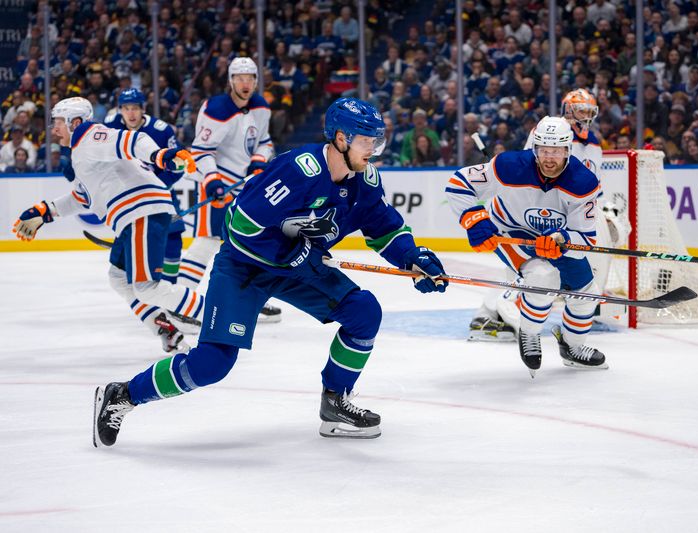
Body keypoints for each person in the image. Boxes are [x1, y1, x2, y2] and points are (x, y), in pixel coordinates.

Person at [92, 97, 449, 446]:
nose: (373, 149)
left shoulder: (364, 181)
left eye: (376, 141)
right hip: (245, 266)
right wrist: (295, 256)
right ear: (340, 139)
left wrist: (413, 258)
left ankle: (335, 401)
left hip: (299, 264)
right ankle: (123, 395)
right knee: (212, 364)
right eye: (366, 141)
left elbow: (384, 227)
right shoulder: (299, 170)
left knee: (364, 312)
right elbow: (243, 226)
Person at [11, 97, 201, 353]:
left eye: (57, 122)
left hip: (141, 212)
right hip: (132, 219)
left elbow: (134, 141)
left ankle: (219, 311)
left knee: (147, 287)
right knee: (118, 278)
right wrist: (44, 212)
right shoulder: (81, 154)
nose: (53, 129)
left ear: (74, 122)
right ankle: (166, 330)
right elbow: (82, 197)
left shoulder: (90, 136)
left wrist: (160, 155)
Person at [446, 116, 607, 379]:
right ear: (535, 148)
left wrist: (561, 241)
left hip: (554, 238)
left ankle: (572, 347)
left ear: (568, 150)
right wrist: (474, 220)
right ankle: (530, 333)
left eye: (556, 151)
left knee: (587, 293)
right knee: (544, 278)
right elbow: (458, 183)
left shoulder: (584, 182)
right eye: (544, 150)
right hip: (510, 231)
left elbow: (585, 240)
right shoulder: (508, 165)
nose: (549, 158)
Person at [181, 57, 282, 322]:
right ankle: (180, 303)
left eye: (250, 78)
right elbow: (200, 151)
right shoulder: (217, 109)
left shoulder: (261, 107)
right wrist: (213, 180)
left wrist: (259, 162)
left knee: (249, 245)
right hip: (218, 184)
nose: (245, 83)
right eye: (240, 78)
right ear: (231, 81)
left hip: (245, 188)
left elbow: (265, 142)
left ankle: (249, 300)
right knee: (207, 241)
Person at [105, 89, 185, 286]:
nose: (131, 114)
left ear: (143, 109)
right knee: (131, 234)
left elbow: (179, 165)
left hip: (160, 194)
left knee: (173, 237)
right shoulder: (110, 128)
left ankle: (170, 286)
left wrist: (156, 188)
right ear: (120, 110)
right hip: (128, 197)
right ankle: (136, 283)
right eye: (126, 109)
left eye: (135, 109)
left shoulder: (161, 130)